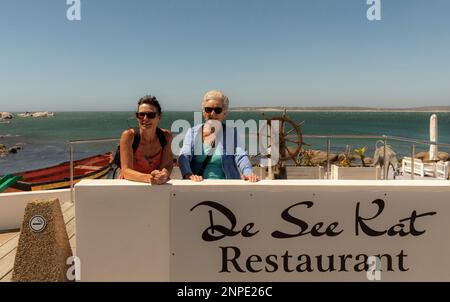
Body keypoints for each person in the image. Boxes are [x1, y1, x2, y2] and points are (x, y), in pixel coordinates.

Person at [178, 90, 259, 182]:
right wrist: (188, 175)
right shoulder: (192, 133)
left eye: (217, 110)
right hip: (198, 186)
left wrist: (248, 172)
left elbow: (240, 156)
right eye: (208, 109)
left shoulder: (231, 133)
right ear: (204, 112)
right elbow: (184, 155)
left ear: (224, 113)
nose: (212, 113)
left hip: (226, 188)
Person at [119, 95, 173, 184]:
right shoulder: (129, 136)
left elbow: (167, 165)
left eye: (150, 115)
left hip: (156, 188)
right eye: (141, 114)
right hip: (131, 186)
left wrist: (164, 174)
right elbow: (126, 171)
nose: (145, 118)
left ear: (159, 117)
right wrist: (149, 178)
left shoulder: (166, 136)